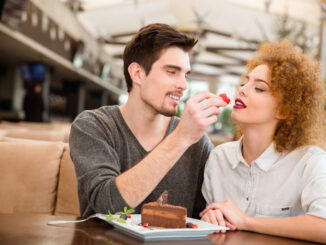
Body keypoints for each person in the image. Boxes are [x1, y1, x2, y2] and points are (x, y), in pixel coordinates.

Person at [69, 23, 228, 218]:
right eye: (172, 72)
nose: (183, 85)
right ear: (138, 74)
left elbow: (205, 215)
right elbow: (108, 205)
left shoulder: (198, 143)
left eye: (186, 75)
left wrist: (213, 215)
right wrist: (180, 138)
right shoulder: (93, 126)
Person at [200, 40, 326, 243]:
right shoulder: (219, 158)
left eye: (259, 88)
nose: (242, 90)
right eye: (244, 83)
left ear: (284, 110)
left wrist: (247, 221)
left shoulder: (310, 161)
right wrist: (209, 217)